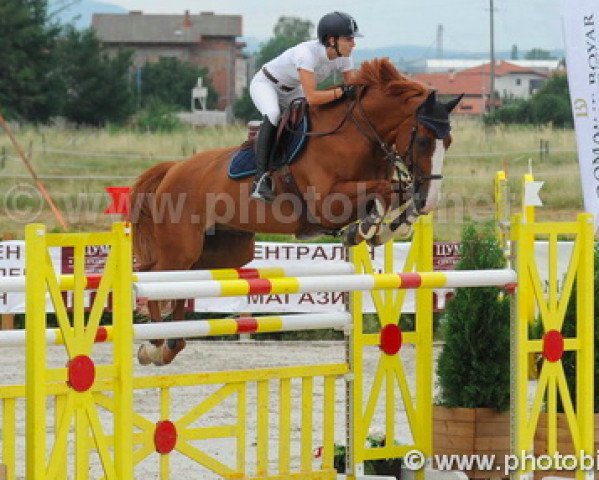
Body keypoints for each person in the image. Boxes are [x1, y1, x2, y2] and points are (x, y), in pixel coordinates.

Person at [248, 11, 362, 202]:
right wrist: (340, 92)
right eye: (349, 39)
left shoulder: (344, 57)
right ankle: (260, 180)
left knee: (313, 118)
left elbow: (354, 87)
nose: (354, 43)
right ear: (331, 39)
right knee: (274, 114)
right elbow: (312, 98)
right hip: (266, 84)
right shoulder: (306, 54)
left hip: (292, 90)